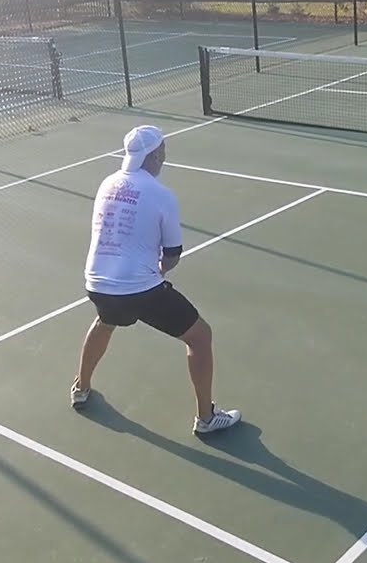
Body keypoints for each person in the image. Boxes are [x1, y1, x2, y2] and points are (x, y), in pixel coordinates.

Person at [70, 125, 240, 435]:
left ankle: (81, 387)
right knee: (200, 337)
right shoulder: (161, 194)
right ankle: (206, 418)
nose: (164, 156)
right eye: (163, 151)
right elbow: (172, 254)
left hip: (96, 284)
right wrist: (159, 269)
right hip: (139, 289)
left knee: (105, 322)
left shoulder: (108, 183)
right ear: (155, 155)